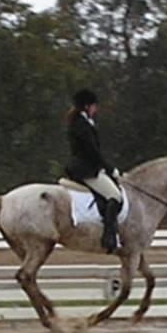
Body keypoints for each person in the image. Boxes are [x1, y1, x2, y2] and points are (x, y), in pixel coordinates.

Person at [65, 88, 122, 253]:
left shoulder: (79, 122)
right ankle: (109, 236)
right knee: (115, 196)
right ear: (87, 106)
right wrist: (110, 169)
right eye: (94, 106)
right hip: (86, 170)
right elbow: (92, 152)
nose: (96, 110)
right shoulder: (82, 125)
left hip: (84, 167)